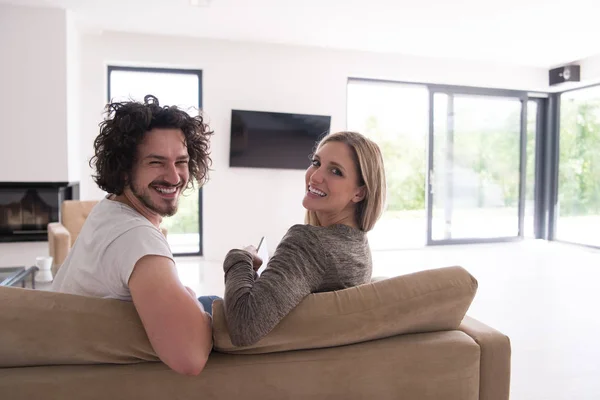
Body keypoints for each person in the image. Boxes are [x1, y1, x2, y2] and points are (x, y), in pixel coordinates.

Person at [52, 95, 214, 376]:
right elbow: (191, 358)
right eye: (156, 162)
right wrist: (188, 297)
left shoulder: (109, 209)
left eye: (181, 162)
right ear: (125, 169)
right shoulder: (136, 237)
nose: (174, 177)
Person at [223, 131, 387, 346]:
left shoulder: (309, 243)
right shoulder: (357, 243)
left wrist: (240, 257)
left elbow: (244, 326)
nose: (315, 176)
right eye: (316, 163)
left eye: (336, 171)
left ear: (359, 193)